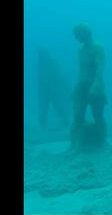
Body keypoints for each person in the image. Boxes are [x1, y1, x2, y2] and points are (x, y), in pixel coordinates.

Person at [70, 23, 107, 151]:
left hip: (96, 86)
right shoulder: (80, 51)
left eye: (77, 35)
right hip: (81, 87)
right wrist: (75, 90)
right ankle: (77, 144)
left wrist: (95, 88)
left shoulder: (98, 48)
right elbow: (81, 73)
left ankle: (102, 143)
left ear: (85, 33)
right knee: (78, 115)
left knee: (98, 115)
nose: (76, 38)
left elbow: (99, 70)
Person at [37, 48, 69, 128]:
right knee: (44, 108)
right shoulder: (40, 64)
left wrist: (63, 87)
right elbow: (40, 78)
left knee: (57, 106)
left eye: (43, 54)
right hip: (44, 91)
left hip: (52, 90)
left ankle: (65, 122)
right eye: (41, 55)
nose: (42, 57)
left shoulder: (53, 62)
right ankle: (42, 125)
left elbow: (59, 76)